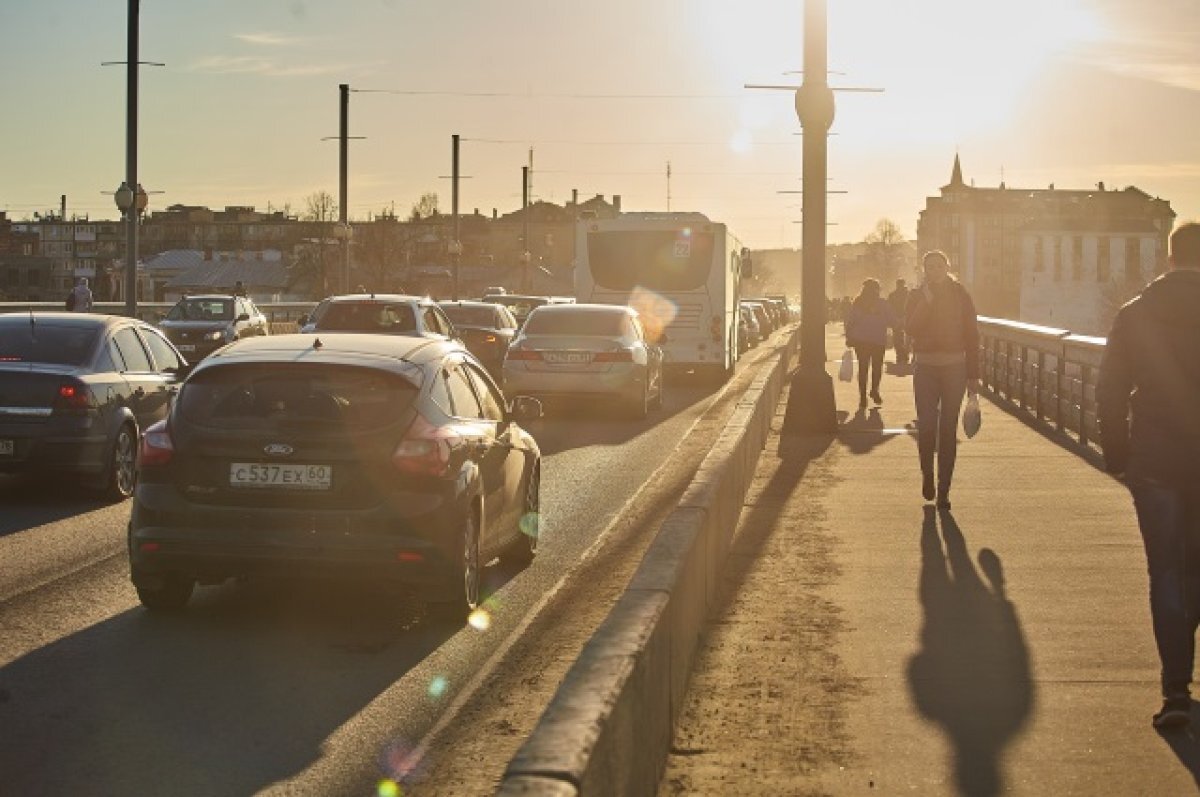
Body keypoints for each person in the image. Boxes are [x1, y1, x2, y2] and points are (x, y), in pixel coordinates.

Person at [1097, 221, 1200, 730]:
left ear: (1169, 258)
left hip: (1155, 462)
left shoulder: (1135, 313)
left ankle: (1176, 689)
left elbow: (1109, 389)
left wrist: (1117, 454)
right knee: (1196, 568)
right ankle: (1187, 652)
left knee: (1165, 570)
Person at [905, 251, 980, 509]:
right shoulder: (916, 295)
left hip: (954, 368)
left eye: (939, 266)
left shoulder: (960, 295)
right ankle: (928, 476)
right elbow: (911, 329)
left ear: (947, 267)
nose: (934, 271)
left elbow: (972, 334)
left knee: (947, 429)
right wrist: (925, 302)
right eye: (929, 267)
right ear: (924, 269)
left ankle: (944, 489)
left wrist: (973, 375)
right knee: (926, 426)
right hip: (925, 368)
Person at [844, 278, 896, 408]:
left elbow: (850, 321)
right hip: (878, 340)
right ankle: (874, 390)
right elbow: (892, 320)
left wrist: (849, 336)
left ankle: (862, 397)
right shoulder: (883, 304)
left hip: (861, 341)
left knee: (863, 368)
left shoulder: (857, 303)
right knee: (877, 367)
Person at [888, 278, 911, 364]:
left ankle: (900, 354)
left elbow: (889, 308)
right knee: (906, 338)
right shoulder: (908, 294)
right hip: (906, 318)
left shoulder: (892, 295)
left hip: (897, 318)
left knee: (897, 338)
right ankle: (904, 355)